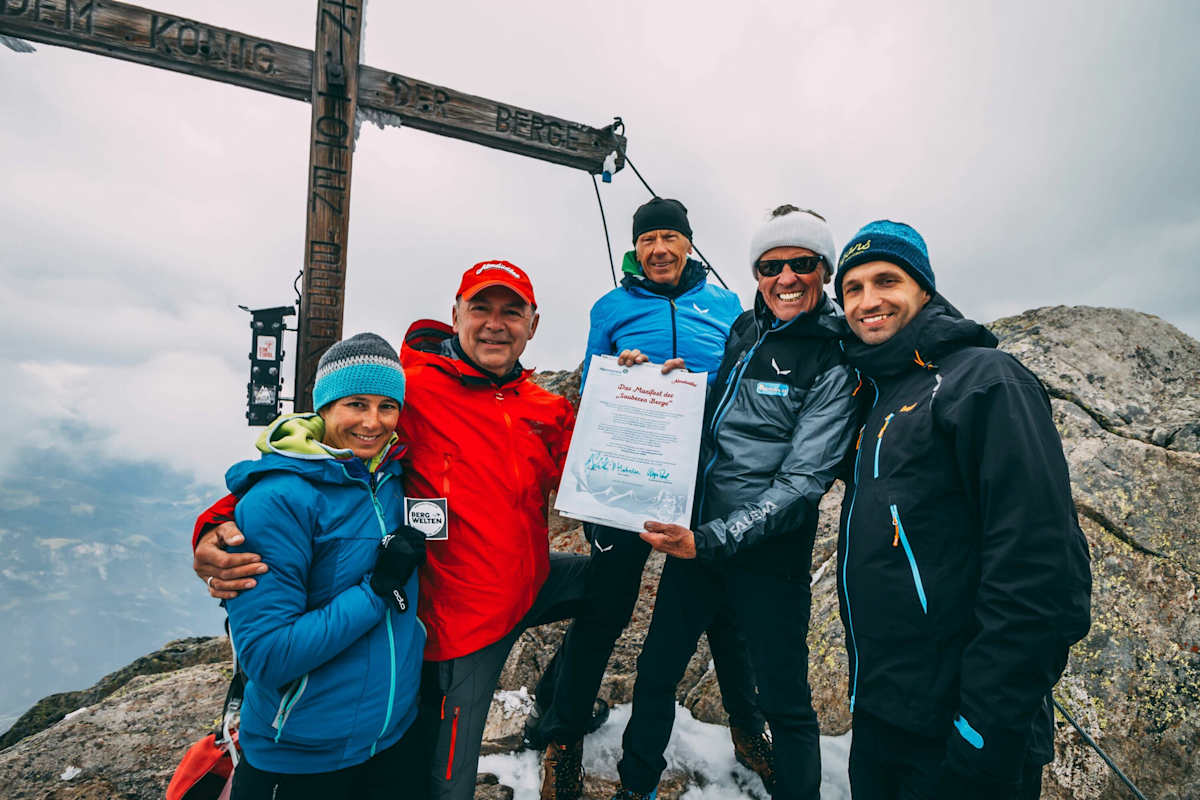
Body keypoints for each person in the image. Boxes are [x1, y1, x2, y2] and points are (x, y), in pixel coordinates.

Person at [193, 261, 590, 800]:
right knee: (450, 783)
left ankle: (563, 721)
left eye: (511, 312)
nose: (496, 324)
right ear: (455, 315)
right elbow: (303, 466)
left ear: (533, 325)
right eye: (481, 308)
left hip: (526, 583)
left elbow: (599, 472)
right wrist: (215, 523)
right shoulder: (413, 386)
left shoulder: (545, 407)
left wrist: (638, 380)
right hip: (460, 618)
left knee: (612, 583)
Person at [832, 220, 1092, 799]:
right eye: (852, 288)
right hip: (882, 720)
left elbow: (1042, 571)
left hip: (965, 734)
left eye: (886, 280)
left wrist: (984, 730)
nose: (868, 301)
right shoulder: (876, 395)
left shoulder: (985, 381)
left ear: (923, 288)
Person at [616, 205, 860, 800]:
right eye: (770, 266)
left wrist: (712, 539)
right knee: (655, 675)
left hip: (766, 555)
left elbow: (803, 483)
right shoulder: (747, 330)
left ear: (824, 270)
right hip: (699, 537)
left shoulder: (833, 354)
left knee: (785, 701)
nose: (785, 278)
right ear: (754, 273)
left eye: (801, 264)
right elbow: (723, 415)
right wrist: (663, 385)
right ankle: (634, 788)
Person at [533, 197, 770, 800]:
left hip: (707, 481)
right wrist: (623, 371)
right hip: (628, 481)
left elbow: (742, 381)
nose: (659, 249)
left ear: (689, 243)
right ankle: (562, 737)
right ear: (635, 250)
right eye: (648, 240)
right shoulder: (611, 307)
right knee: (606, 605)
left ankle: (748, 728)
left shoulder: (723, 304)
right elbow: (592, 380)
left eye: (670, 237)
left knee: (725, 614)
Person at [222, 332, 427, 799]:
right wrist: (377, 591)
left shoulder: (394, 475)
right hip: (299, 761)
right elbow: (268, 656)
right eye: (356, 403)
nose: (373, 422)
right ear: (325, 407)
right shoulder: (279, 499)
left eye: (386, 406)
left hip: (391, 742)